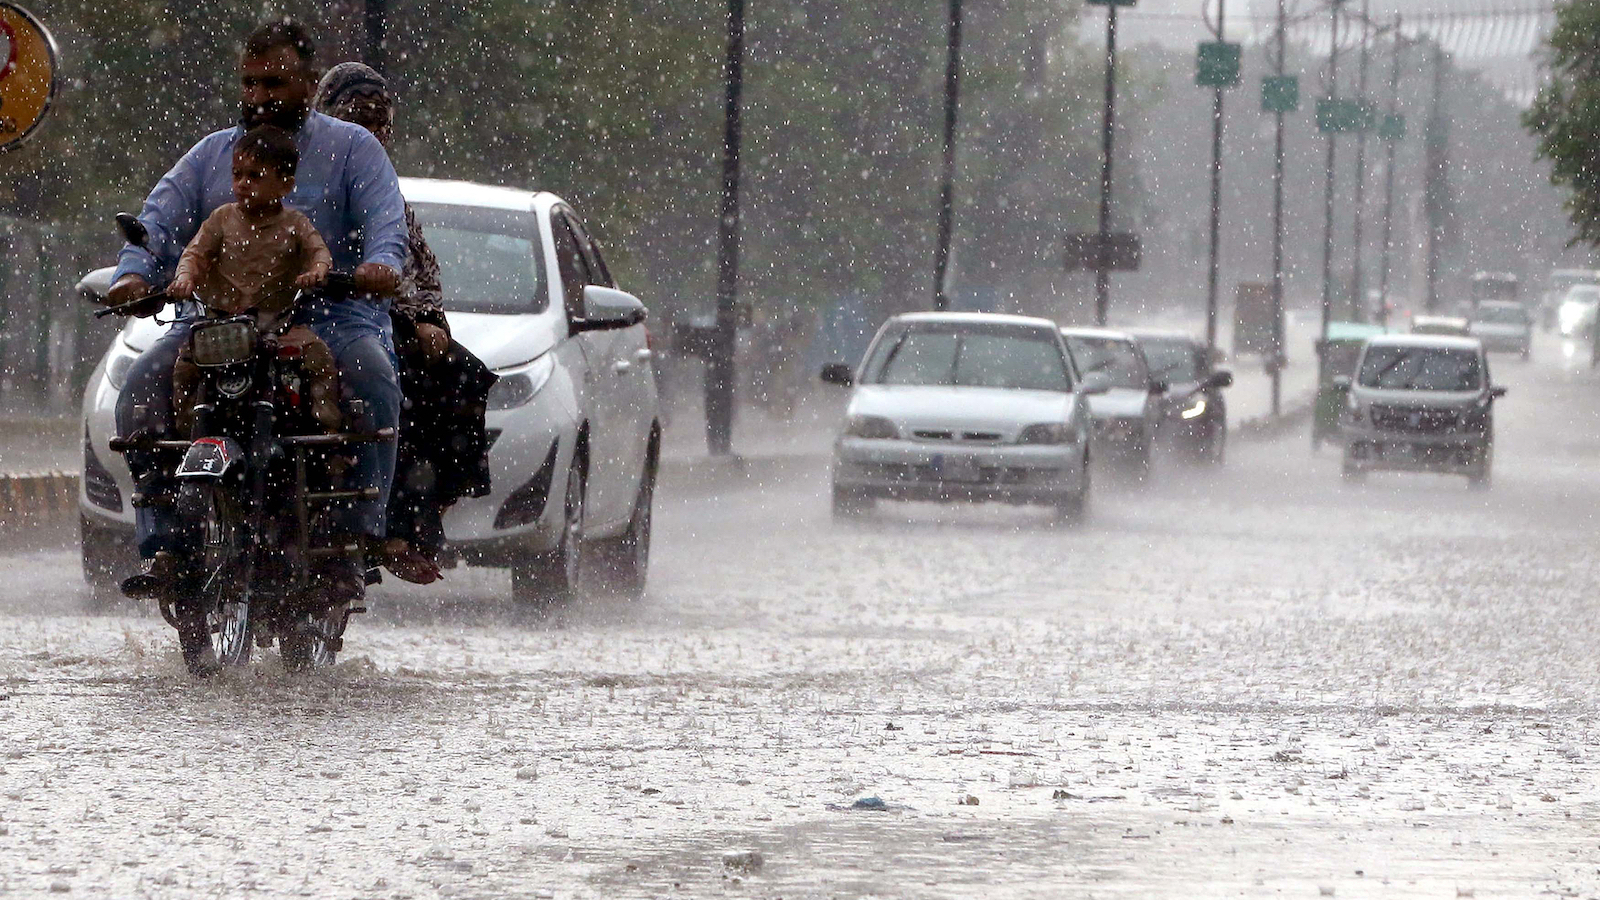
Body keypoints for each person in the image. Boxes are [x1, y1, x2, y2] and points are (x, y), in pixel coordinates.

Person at [105, 19, 411, 602]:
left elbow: (385, 231)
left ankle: (354, 538)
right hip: (220, 325)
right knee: (142, 388)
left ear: (309, 82)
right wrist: (132, 278)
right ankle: (165, 545)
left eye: (275, 83)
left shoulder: (354, 150)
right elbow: (157, 225)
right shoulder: (211, 156)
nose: (260, 97)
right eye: (250, 84)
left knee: (374, 379)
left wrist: (375, 268)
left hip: (329, 320)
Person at [313, 62, 496, 573]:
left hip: (374, 319)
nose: (373, 130)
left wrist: (425, 318)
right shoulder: (297, 177)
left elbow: (409, 261)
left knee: (454, 377)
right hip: (317, 316)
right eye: (357, 117)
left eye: (381, 120)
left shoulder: (384, 190)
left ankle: (412, 522)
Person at [168, 124, 340, 435]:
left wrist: (317, 272)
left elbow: (320, 253)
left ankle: (325, 432)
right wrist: (184, 279)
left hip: (275, 330)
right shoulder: (221, 218)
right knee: (185, 368)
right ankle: (186, 436)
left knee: (318, 355)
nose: (242, 183)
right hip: (220, 329)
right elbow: (194, 255)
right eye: (237, 174)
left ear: (285, 185)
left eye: (254, 176)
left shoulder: (295, 223)